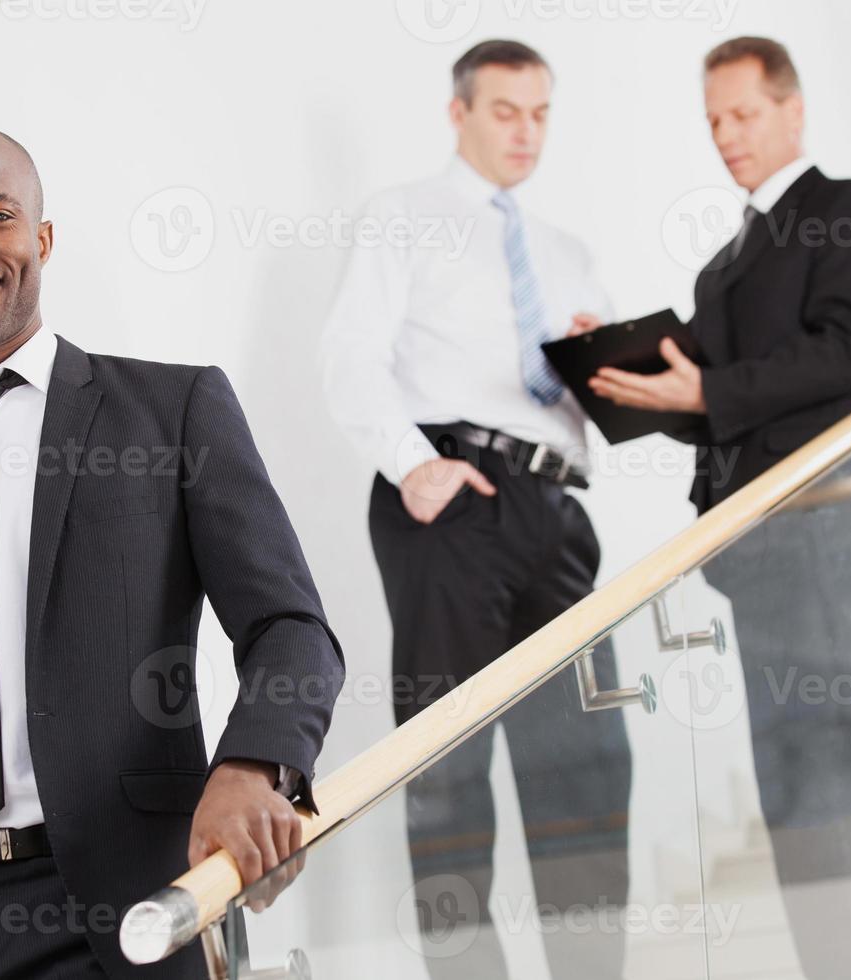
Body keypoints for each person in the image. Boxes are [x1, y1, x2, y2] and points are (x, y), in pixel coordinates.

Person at [0, 121, 345, 980]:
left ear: (41, 238)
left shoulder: (170, 412)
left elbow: (291, 626)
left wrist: (252, 764)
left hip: (104, 910)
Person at [586, 36, 851, 979]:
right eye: (714, 121)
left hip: (840, 543)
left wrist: (705, 392)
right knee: (794, 798)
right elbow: (720, 402)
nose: (727, 136)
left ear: (793, 109)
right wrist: (613, 361)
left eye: (744, 115)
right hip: (764, 556)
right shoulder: (726, 261)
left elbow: (848, 358)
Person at [320, 40, 632, 980]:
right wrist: (415, 467)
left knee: (585, 760)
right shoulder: (401, 219)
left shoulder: (569, 254)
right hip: (450, 500)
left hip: (555, 509)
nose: (526, 132)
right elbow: (349, 356)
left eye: (540, 113)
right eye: (506, 111)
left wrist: (602, 361)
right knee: (449, 771)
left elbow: (604, 408)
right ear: (459, 113)